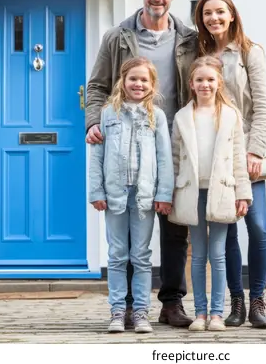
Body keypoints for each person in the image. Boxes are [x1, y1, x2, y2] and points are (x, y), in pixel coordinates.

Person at [85, 0, 198, 328]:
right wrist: (93, 123)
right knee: (129, 235)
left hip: (174, 139)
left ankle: (171, 302)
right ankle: (130, 307)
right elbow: (98, 86)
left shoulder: (188, 38)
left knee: (173, 224)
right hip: (124, 142)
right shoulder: (117, 37)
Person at [194, 0, 266, 328]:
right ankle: (236, 302)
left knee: (257, 228)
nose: (214, 18)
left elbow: (264, 107)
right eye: (208, 13)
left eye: (220, 12)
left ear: (231, 14)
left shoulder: (249, 52)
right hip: (215, 157)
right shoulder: (197, 53)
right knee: (226, 232)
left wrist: (254, 150)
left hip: (247, 154)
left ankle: (258, 300)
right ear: (202, 19)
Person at [88, 56, 174, 333]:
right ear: (122, 81)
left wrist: (164, 193)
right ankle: (116, 311)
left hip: (144, 197)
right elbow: (96, 157)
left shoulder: (156, 116)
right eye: (133, 78)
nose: (138, 84)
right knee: (116, 255)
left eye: (144, 80)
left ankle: (140, 313)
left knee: (140, 255)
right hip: (114, 195)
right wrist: (96, 191)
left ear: (152, 84)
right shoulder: (107, 114)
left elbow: (164, 159)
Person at [167, 56, 253, 332]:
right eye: (200, 80)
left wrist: (243, 193)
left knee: (218, 254)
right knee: (198, 254)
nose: (205, 84)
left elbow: (239, 158)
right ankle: (200, 313)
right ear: (191, 84)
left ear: (219, 83)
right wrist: (170, 193)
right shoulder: (182, 117)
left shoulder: (230, 116)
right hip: (192, 192)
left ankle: (217, 313)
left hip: (222, 191)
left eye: (210, 79)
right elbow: (174, 159)